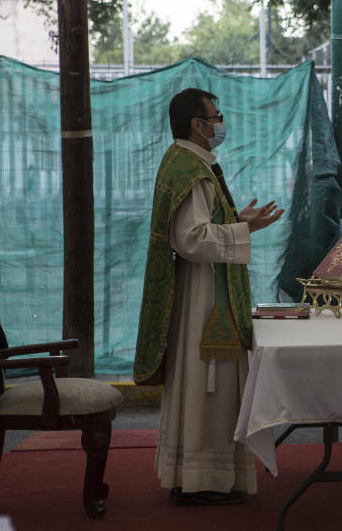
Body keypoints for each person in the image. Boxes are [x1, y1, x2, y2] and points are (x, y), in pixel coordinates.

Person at [134, 88, 285, 505]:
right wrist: (245, 231)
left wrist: (237, 220)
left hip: (203, 289)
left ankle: (196, 475)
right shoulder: (191, 170)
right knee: (210, 387)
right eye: (216, 117)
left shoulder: (187, 162)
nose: (222, 124)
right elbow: (191, 240)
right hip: (205, 297)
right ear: (197, 125)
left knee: (206, 385)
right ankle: (205, 479)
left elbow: (198, 228)